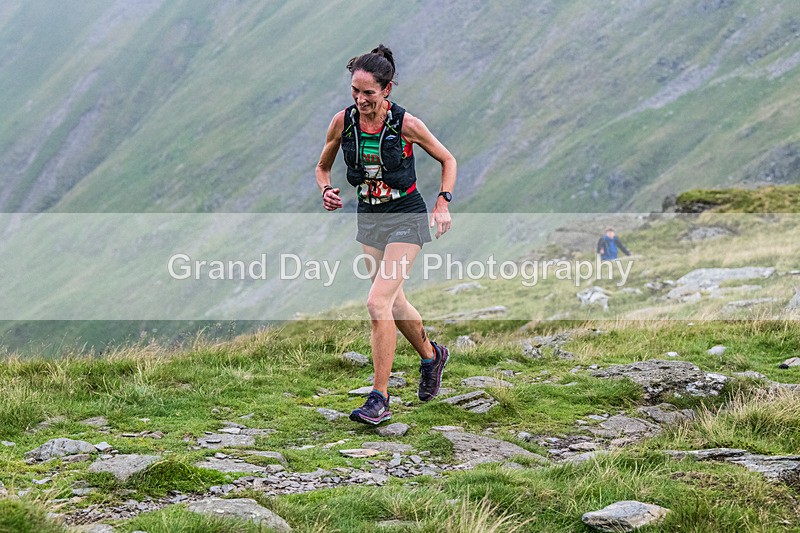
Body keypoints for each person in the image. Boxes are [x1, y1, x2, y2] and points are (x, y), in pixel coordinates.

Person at [315, 44, 457, 425]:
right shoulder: (342, 121)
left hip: (406, 216)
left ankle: (379, 397)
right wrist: (326, 189)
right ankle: (432, 356)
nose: (361, 100)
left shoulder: (406, 124)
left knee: (377, 303)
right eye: (355, 92)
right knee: (394, 303)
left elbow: (447, 159)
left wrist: (443, 202)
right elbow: (322, 166)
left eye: (369, 93)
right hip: (369, 217)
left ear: (387, 89)